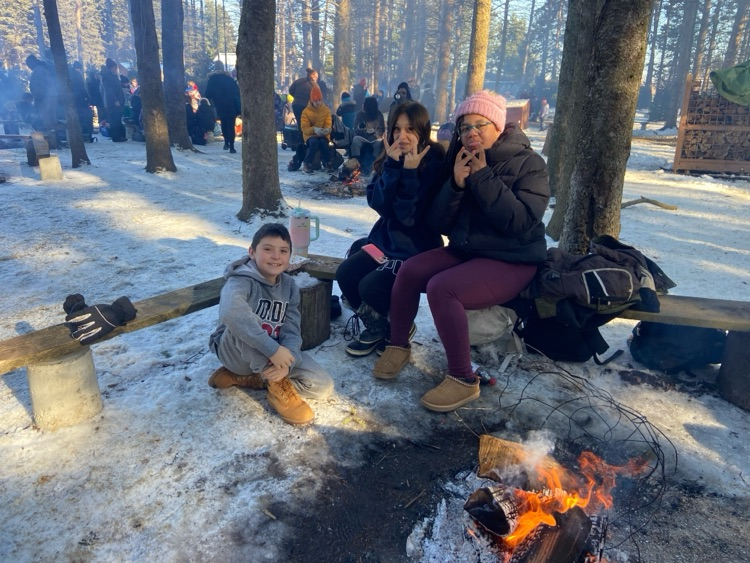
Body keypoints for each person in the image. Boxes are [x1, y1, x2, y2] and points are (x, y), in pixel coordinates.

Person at [372, 90, 550, 412]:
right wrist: (454, 185)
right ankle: (397, 343)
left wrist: (483, 178)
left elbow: (520, 222)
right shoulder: (459, 157)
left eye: (479, 125)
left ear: (498, 125)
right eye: (464, 127)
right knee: (411, 270)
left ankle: (463, 378)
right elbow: (438, 221)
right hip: (468, 249)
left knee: (444, 289)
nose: (471, 133)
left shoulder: (529, 163)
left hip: (513, 258)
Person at [336, 101, 445, 357]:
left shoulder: (434, 163)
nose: (402, 136)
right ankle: (379, 327)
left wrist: (409, 173)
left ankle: (400, 324)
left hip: (415, 249)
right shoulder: (391, 157)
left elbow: (410, 217)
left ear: (422, 131)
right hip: (384, 243)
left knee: (371, 286)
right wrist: (394, 168)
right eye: (397, 128)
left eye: (410, 129)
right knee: (346, 274)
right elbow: (378, 204)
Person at [208, 223, 334, 425]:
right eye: (268, 249)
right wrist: (273, 350)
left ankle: (254, 379)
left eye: (283, 251)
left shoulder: (289, 286)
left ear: (290, 256)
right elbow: (231, 313)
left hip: (272, 353)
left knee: (323, 386)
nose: (276, 256)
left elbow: (292, 326)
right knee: (243, 325)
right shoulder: (240, 281)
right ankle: (277, 385)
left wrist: (288, 361)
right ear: (252, 252)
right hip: (234, 351)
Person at [288, 68, 327, 170]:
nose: (317, 79)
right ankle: (306, 145)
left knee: (301, 127)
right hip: (306, 106)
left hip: (296, 105)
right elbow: (317, 98)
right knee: (307, 128)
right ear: (314, 76)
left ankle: (302, 140)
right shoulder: (314, 85)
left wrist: (297, 97)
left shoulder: (298, 81)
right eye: (316, 77)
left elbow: (290, 90)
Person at [204, 61, 241, 153]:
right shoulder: (229, 78)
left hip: (220, 104)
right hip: (231, 104)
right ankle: (232, 146)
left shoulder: (212, 79)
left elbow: (208, 94)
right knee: (231, 124)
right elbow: (237, 91)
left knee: (224, 122)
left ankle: (226, 143)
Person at [300, 84, 332, 174]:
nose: (318, 103)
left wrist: (326, 130)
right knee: (314, 143)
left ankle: (328, 162)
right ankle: (307, 164)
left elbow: (328, 123)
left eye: (319, 100)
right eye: (315, 101)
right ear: (311, 100)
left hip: (323, 134)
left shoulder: (326, 110)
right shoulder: (306, 112)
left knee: (323, 143)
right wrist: (314, 129)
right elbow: (304, 128)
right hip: (310, 135)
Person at [349, 96, 385, 176]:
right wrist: (361, 128)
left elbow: (382, 129)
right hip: (363, 137)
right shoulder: (360, 114)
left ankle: (373, 164)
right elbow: (355, 128)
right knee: (355, 140)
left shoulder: (379, 115)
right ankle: (356, 161)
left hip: (375, 138)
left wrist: (376, 132)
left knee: (379, 143)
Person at [25, 54, 58, 140]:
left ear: (32, 63)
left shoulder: (38, 71)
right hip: (52, 95)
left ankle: (49, 139)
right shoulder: (44, 68)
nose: (29, 67)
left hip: (45, 97)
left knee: (46, 118)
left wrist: (38, 96)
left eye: (28, 65)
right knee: (52, 117)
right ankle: (56, 137)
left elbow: (38, 85)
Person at [101, 58, 126, 142]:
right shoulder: (107, 77)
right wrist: (115, 100)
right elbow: (109, 90)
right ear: (111, 68)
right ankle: (116, 137)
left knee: (118, 119)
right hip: (113, 103)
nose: (116, 69)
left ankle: (119, 135)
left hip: (118, 100)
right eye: (114, 67)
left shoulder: (114, 76)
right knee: (114, 119)